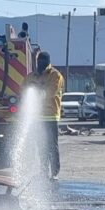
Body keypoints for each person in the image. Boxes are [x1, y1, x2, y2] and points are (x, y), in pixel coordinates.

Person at [26, 51, 64, 179]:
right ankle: (43, 171)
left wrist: (35, 94)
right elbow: (23, 89)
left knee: (52, 145)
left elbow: (51, 92)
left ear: (47, 62)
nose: (40, 63)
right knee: (41, 145)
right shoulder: (32, 76)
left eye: (43, 61)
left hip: (50, 115)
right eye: (38, 61)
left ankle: (54, 172)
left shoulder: (55, 75)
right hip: (36, 117)